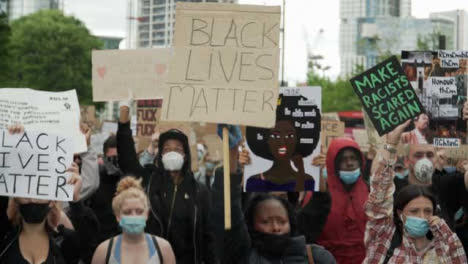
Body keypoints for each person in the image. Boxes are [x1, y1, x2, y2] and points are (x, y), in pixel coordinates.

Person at [212, 127, 336, 264]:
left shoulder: (317, 257)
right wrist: (232, 153)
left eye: (282, 221)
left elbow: (320, 205)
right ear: (251, 224)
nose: (276, 227)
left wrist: (316, 172)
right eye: (265, 222)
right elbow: (229, 209)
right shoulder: (242, 254)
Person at [116, 102, 217, 264]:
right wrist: (123, 120)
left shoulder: (200, 191)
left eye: (177, 149)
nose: (172, 152)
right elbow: (126, 159)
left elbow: (209, 237)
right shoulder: (148, 180)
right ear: (160, 154)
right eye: (167, 149)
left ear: (185, 155)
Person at [363, 121, 467, 263]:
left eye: (428, 211)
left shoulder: (443, 250)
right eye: (414, 211)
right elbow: (379, 189)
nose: (421, 216)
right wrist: (391, 144)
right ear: (399, 214)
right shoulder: (384, 242)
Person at [0, 125, 99, 264]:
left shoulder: (65, 241)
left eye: (39, 191)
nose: (32, 198)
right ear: (15, 197)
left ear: (52, 199)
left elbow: (90, 249)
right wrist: (10, 145)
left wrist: (75, 199)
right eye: (26, 191)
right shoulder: (4, 237)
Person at [245, 94, 320, 192]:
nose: (282, 141)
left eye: (289, 136)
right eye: (275, 136)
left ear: (298, 139)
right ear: (266, 139)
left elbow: (304, 203)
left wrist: (302, 171)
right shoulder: (254, 181)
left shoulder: (307, 181)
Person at [91, 176, 175, 264]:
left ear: (146, 214)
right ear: (118, 216)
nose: (134, 216)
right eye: (127, 212)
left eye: (139, 211)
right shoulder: (104, 251)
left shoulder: (163, 249)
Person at [315, 137, 369, 264]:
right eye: (343, 159)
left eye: (353, 158)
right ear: (333, 163)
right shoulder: (320, 192)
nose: (349, 163)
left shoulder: (370, 190)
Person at [86, 135, 124, 243]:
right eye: (113, 158)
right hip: (99, 239)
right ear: (104, 157)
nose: (116, 163)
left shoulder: (131, 179)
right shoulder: (94, 179)